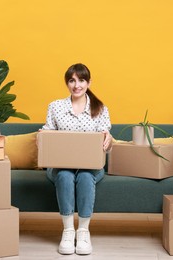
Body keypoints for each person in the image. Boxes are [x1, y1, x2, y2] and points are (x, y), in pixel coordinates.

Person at [41, 63, 113, 255]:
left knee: (85, 177)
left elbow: (106, 139)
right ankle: (67, 230)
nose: (77, 85)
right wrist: (43, 137)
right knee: (64, 175)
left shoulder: (100, 108)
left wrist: (108, 138)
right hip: (60, 166)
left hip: (90, 168)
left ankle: (83, 231)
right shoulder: (55, 107)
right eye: (72, 80)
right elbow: (48, 133)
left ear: (88, 82)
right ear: (67, 83)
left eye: (81, 80)